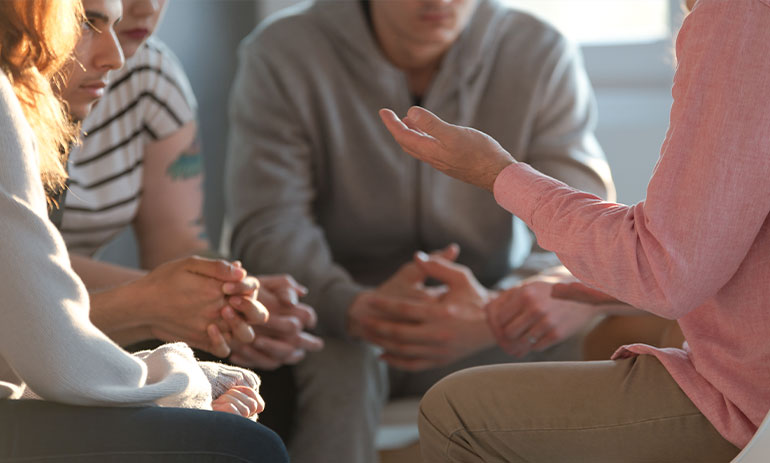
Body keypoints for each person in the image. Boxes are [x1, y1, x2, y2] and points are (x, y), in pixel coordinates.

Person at [224, 0, 620, 460]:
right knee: (336, 367)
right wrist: (352, 307)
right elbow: (269, 224)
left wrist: (499, 307)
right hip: (337, 320)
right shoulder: (283, 50)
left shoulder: (539, 50)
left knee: (627, 333)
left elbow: (585, 221)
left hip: (487, 314)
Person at [379, 0, 769, 459]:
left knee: (454, 414)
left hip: (753, 401)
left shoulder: (740, 16)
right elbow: (709, 249)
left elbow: (667, 269)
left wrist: (497, 173)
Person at [0, 0, 288, 461]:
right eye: (86, 22)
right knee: (243, 446)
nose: (113, 54)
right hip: (50, 346)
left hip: (47, 346)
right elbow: (44, 342)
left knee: (267, 372)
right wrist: (185, 384)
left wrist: (221, 298)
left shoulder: (150, 75)